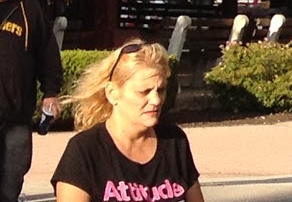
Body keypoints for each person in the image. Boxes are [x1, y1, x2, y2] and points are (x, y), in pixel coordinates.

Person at [51, 41, 201, 202]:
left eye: (161, 90)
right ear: (112, 93)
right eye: (144, 91)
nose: (156, 100)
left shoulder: (175, 141)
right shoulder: (84, 150)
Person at [0, 0, 63, 202]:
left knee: (11, 180)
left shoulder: (29, 8)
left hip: (17, 114)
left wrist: (50, 93)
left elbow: (48, 53)